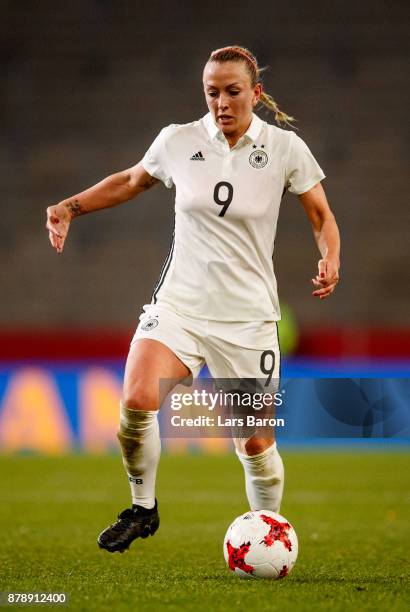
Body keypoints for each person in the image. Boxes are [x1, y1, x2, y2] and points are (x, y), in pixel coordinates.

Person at [46, 45, 340, 554]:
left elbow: (320, 215)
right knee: (136, 400)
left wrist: (331, 256)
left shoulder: (285, 147)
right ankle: (143, 508)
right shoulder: (178, 141)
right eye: (212, 92)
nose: (221, 102)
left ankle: (267, 532)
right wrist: (71, 207)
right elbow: (131, 181)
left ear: (256, 93)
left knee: (255, 444)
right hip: (180, 306)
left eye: (232, 91)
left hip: (247, 319)